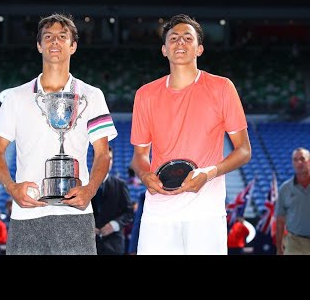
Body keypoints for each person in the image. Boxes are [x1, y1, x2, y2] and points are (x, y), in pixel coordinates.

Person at [0, 13, 118, 255]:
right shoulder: (16, 97)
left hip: (74, 214)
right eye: (48, 37)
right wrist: (11, 187)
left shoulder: (92, 95)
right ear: (39, 45)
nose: (55, 42)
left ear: (73, 46)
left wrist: (90, 190)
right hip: (27, 213)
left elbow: (103, 154)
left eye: (62, 36)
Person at [130, 14, 251, 255]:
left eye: (188, 38)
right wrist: (145, 175)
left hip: (206, 209)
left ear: (200, 49)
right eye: (173, 38)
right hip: (159, 211)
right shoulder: (145, 94)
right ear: (164, 49)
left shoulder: (222, 88)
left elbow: (244, 150)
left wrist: (209, 172)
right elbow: (139, 156)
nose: (180, 42)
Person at [91, 146, 134, 255]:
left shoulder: (120, 185)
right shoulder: (84, 185)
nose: (106, 162)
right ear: (93, 160)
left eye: (109, 158)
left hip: (114, 246)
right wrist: (88, 227)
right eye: (102, 158)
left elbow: (129, 213)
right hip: (89, 245)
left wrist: (114, 225)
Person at [275, 147, 310, 255]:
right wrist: (279, 247)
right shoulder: (285, 189)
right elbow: (280, 221)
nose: (299, 162)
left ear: (309, 161)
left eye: (302, 159)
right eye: (295, 159)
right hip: (294, 243)